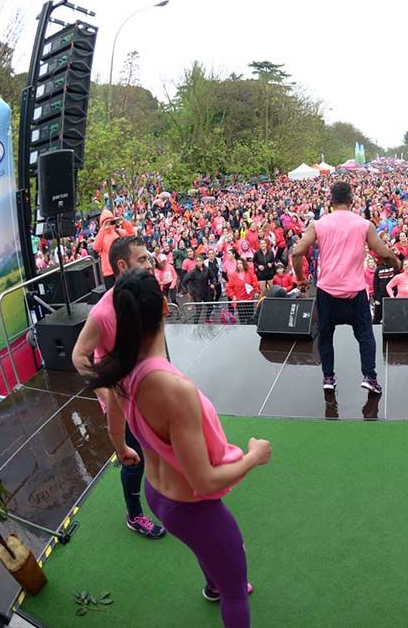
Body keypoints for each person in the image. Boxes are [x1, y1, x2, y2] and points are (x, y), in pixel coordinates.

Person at [87, 269, 271, 627]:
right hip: (191, 506)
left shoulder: (119, 367)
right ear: (166, 308)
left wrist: (121, 447)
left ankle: (212, 586)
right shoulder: (174, 389)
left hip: (156, 494)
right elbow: (205, 482)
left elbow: (113, 416)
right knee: (235, 587)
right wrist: (253, 457)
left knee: (208, 549)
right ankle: (223, 588)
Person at [72, 236, 166, 540]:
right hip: (121, 400)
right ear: (122, 266)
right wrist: (105, 391)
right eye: (142, 260)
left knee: (159, 444)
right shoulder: (101, 313)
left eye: (149, 258)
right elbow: (78, 355)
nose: (150, 264)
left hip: (149, 390)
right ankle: (134, 514)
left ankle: (165, 490)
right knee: (132, 457)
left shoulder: (149, 296)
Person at [291, 181, 400, 393]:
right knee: (365, 335)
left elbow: (297, 253)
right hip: (355, 292)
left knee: (325, 336)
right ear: (352, 201)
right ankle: (369, 376)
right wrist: (396, 265)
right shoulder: (363, 224)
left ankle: (329, 377)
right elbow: (384, 253)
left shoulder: (318, 224)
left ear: (331, 202)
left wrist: (300, 279)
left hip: (327, 291)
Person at [92, 209, 136, 288]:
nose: (110, 224)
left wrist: (124, 222)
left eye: (111, 221)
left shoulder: (118, 232)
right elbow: (96, 248)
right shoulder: (101, 236)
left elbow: (131, 234)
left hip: (121, 269)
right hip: (108, 273)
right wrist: (103, 229)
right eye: (106, 222)